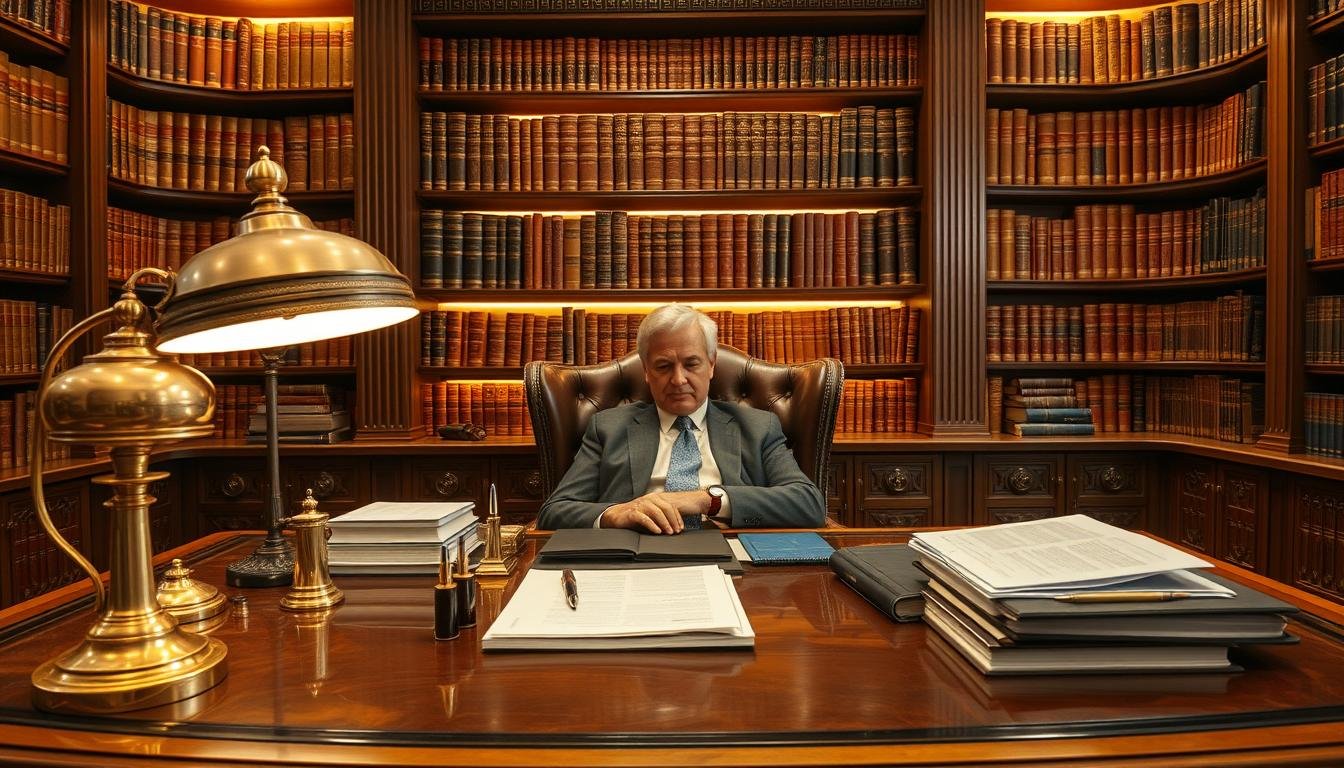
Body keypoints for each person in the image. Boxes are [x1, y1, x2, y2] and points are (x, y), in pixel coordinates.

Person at [537, 304, 825, 533]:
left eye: (691, 364)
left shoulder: (759, 427)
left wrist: (704, 499)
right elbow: (555, 511)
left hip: (731, 558)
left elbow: (808, 503)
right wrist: (615, 514)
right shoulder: (608, 427)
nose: (678, 379)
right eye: (663, 366)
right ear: (647, 372)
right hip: (634, 557)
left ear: (711, 365)